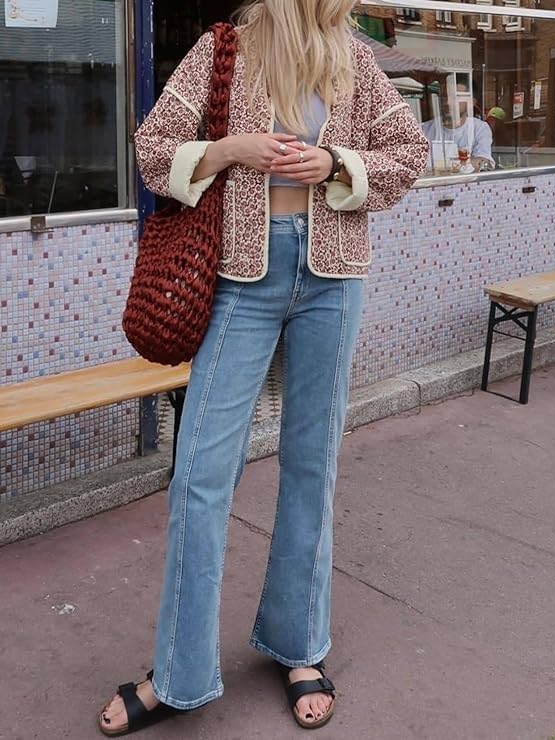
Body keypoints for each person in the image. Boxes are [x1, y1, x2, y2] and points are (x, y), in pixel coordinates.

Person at [99, 0, 428, 735]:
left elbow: (409, 153)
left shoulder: (352, 57)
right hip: (239, 282)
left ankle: (299, 645)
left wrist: (337, 164)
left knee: (312, 465)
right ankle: (178, 670)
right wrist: (226, 150)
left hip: (332, 280)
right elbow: (153, 149)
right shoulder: (227, 48)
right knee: (199, 474)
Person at [423, 82, 495, 171]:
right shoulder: (424, 129)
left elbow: (483, 161)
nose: (448, 103)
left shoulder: (479, 128)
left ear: (471, 102)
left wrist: (448, 167)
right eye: (445, 96)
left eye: (455, 97)